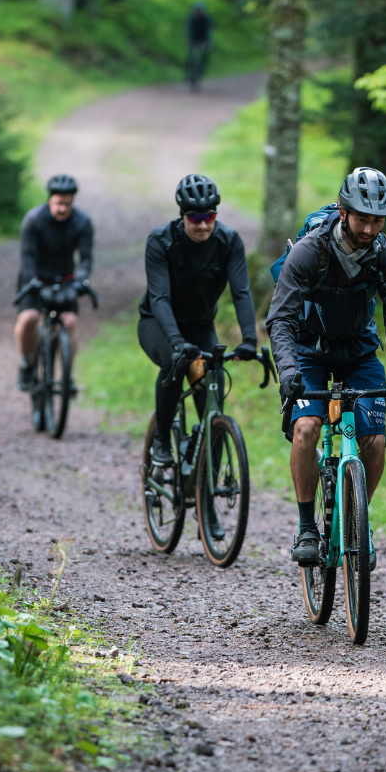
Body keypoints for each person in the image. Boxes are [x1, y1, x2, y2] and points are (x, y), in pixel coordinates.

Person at [266, 166, 386, 566]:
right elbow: (280, 319)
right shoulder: (309, 251)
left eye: (377, 221)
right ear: (343, 211)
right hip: (309, 350)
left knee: (376, 441)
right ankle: (307, 527)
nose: (369, 229)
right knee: (306, 428)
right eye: (362, 219)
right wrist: (288, 371)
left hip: (359, 352)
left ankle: (357, 519)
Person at [138, 173, 258, 528]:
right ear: (183, 216)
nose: (203, 224)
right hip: (159, 324)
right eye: (195, 217)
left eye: (210, 216)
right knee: (174, 363)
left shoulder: (229, 241)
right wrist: (177, 343)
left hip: (202, 326)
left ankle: (207, 504)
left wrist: (250, 340)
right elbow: (159, 298)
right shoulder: (161, 241)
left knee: (213, 406)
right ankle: (162, 440)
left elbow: (241, 293)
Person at [15, 174, 94, 391]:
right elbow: (27, 256)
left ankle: (67, 375)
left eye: (67, 204)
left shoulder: (82, 222)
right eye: (59, 203)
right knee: (29, 318)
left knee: (69, 323)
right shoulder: (34, 220)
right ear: (50, 199)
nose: (62, 208)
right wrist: (33, 280)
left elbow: (86, 258)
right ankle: (26, 363)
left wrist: (82, 278)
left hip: (65, 281)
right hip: (35, 278)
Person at [185, 1, 212, 89]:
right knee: (191, 57)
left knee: (204, 57)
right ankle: (188, 73)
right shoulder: (192, 18)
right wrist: (190, 40)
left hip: (203, 40)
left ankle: (200, 73)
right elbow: (190, 30)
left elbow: (207, 31)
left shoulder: (206, 19)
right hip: (193, 40)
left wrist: (207, 41)